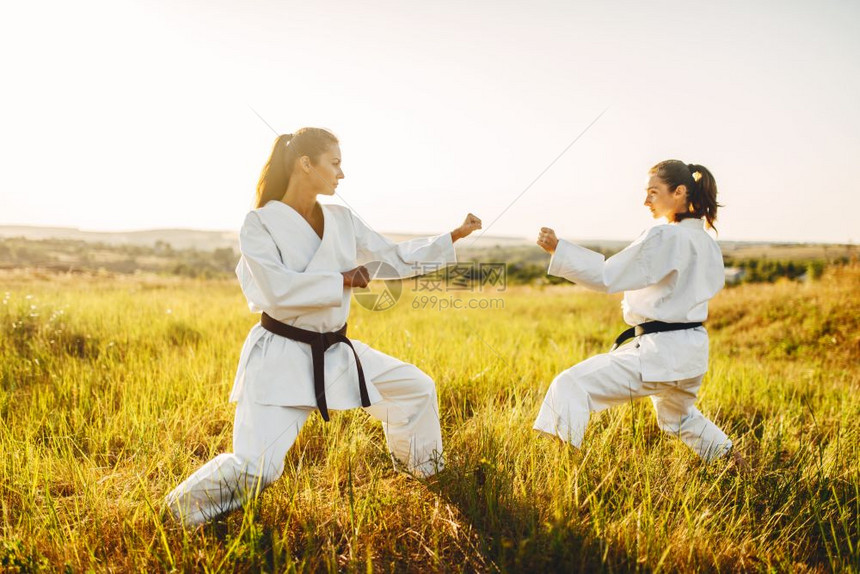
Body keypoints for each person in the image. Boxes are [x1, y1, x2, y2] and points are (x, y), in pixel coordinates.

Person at [165, 128, 482, 526]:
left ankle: (424, 482)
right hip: (281, 356)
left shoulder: (341, 218)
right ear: (306, 164)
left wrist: (453, 236)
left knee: (415, 389)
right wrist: (342, 280)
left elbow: (393, 257)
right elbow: (276, 291)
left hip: (335, 350)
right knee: (257, 468)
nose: (341, 174)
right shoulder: (259, 224)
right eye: (335, 163)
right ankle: (175, 515)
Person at [533, 160, 737, 463]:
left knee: (570, 386)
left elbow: (607, 276)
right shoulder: (706, 242)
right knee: (680, 420)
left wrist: (558, 249)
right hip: (691, 355)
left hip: (658, 355)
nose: (646, 201)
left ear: (679, 192)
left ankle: (565, 474)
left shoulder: (666, 236)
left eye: (653, 192)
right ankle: (743, 471)